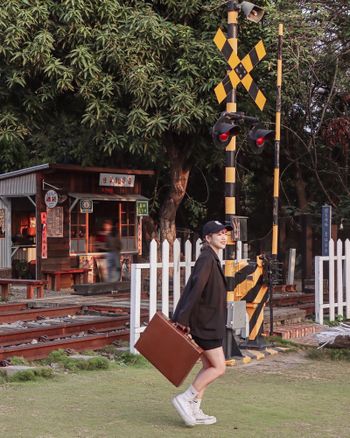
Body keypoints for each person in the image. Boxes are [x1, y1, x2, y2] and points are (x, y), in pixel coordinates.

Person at [171, 220, 233, 427]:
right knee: (219, 367)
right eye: (218, 234)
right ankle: (185, 398)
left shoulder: (212, 258)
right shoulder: (207, 258)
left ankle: (195, 409)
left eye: (225, 233)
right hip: (205, 324)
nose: (223, 237)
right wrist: (182, 318)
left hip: (209, 321)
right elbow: (195, 289)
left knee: (208, 365)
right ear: (208, 238)